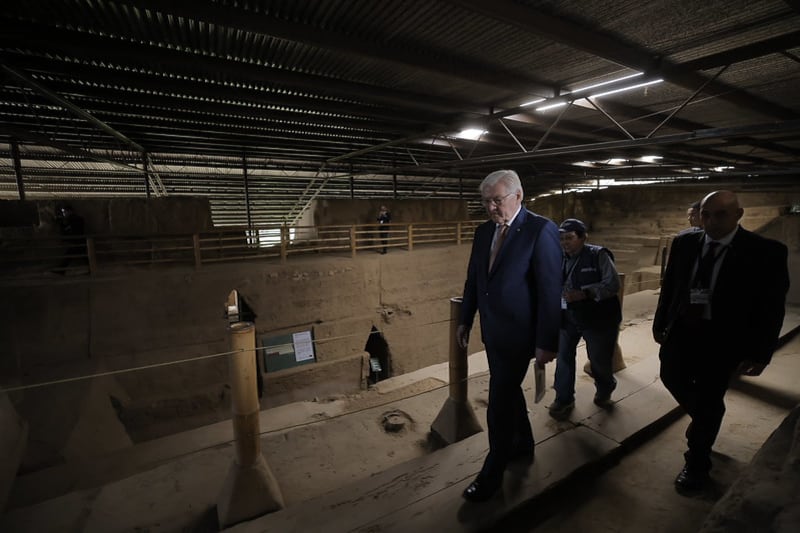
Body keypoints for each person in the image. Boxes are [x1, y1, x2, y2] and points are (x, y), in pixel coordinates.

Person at [653, 190, 789, 492]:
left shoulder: (766, 252)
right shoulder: (685, 243)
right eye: (706, 214)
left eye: (720, 214)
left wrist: (761, 353)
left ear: (738, 215)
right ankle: (706, 417)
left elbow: (771, 307)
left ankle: (697, 464)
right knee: (670, 376)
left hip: (724, 341)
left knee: (710, 396)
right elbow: (671, 287)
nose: (711, 221)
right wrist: (660, 323)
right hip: (683, 332)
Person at [456, 169, 562, 502]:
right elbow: (474, 280)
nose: (490, 207)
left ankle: (492, 472)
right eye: (486, 201)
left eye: (497, 200)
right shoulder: (483, 232)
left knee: (498, 401)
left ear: (518, 196)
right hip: (493, 332)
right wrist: (465, 318)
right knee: (508, 388)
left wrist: (547, 341)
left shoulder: (539, 230)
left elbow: (549, 290)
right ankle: (524, 443)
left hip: (522, 333)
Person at [549, 218, 622, 420]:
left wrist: (585, 293)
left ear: (583, 238)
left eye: (570, 238)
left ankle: (605, 388)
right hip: (568, 317)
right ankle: (564, 398)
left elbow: (613, 284)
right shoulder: (558, 258)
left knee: (598, 359)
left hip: (598, 319)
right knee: (563, 357)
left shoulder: (598, 255)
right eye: (562, 238)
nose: (565, 242)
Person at [54, 203, 86, 274]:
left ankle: (61, 270)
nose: (64, 213)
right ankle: (61, 270)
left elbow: (72, 230)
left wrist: (64, 224)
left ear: (70, 211)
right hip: (78, 241)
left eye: (65, 212)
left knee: (71, 254)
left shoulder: (75, 219)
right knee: (81, 255)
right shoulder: (73, 219)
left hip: (78, 241)